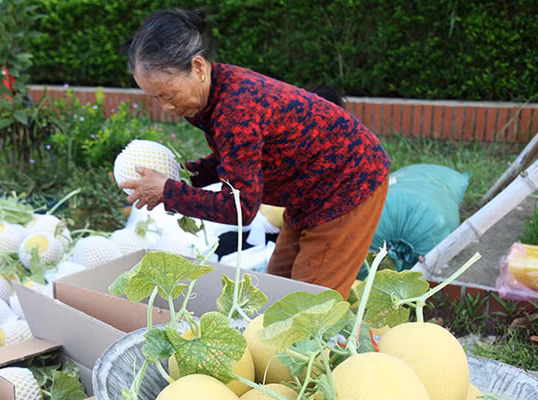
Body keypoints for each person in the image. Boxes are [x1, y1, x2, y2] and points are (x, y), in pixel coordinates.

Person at [119, 8, 390, 300]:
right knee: (280, 283)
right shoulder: (213, 93)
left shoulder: (237, 107)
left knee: (310, 306)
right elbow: (234, 159)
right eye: (155, 98)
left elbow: (240, 209)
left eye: (168, 95)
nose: (166, 107)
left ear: (198, 68)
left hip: (347, 185)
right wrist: (183, 175)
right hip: (308, 189)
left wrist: (169, 192)